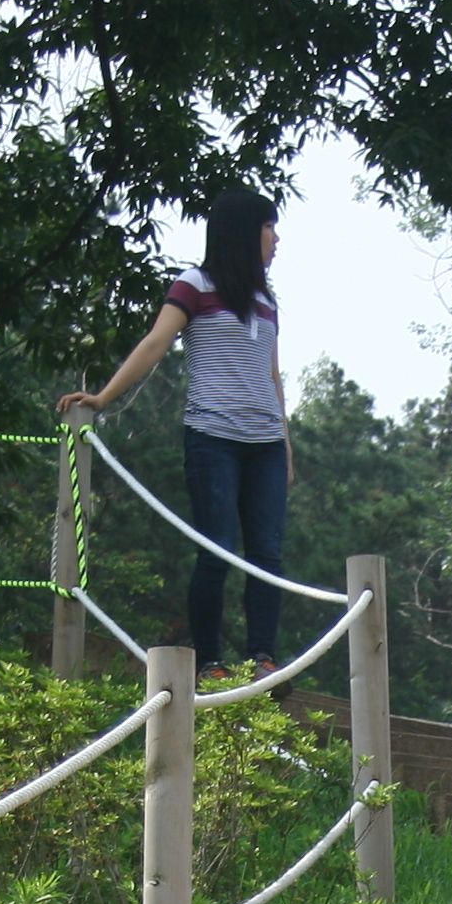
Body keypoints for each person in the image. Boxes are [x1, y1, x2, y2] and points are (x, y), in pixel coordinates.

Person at [63, 188, 293, 669]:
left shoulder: (266, 300)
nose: (276, 238)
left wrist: (286, 449)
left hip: (266, 443)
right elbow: (155, 343)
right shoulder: (194, 285)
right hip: (214, 438)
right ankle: (208, 661)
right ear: (243, 233)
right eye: (269, 227)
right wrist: (104, 398)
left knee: (267, 555)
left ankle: (264, 659)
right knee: (217, 551)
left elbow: (273, 376)